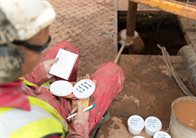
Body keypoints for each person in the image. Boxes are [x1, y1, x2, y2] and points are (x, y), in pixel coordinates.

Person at [0, 1, 124, 138]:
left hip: (43, 95)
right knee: (113, 72)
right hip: (67, 120)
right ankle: (85, 117)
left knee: (66, 50)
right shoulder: (27, 131)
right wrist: (79, 126)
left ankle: (68, 92)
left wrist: (38, 73)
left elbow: (18, 82)